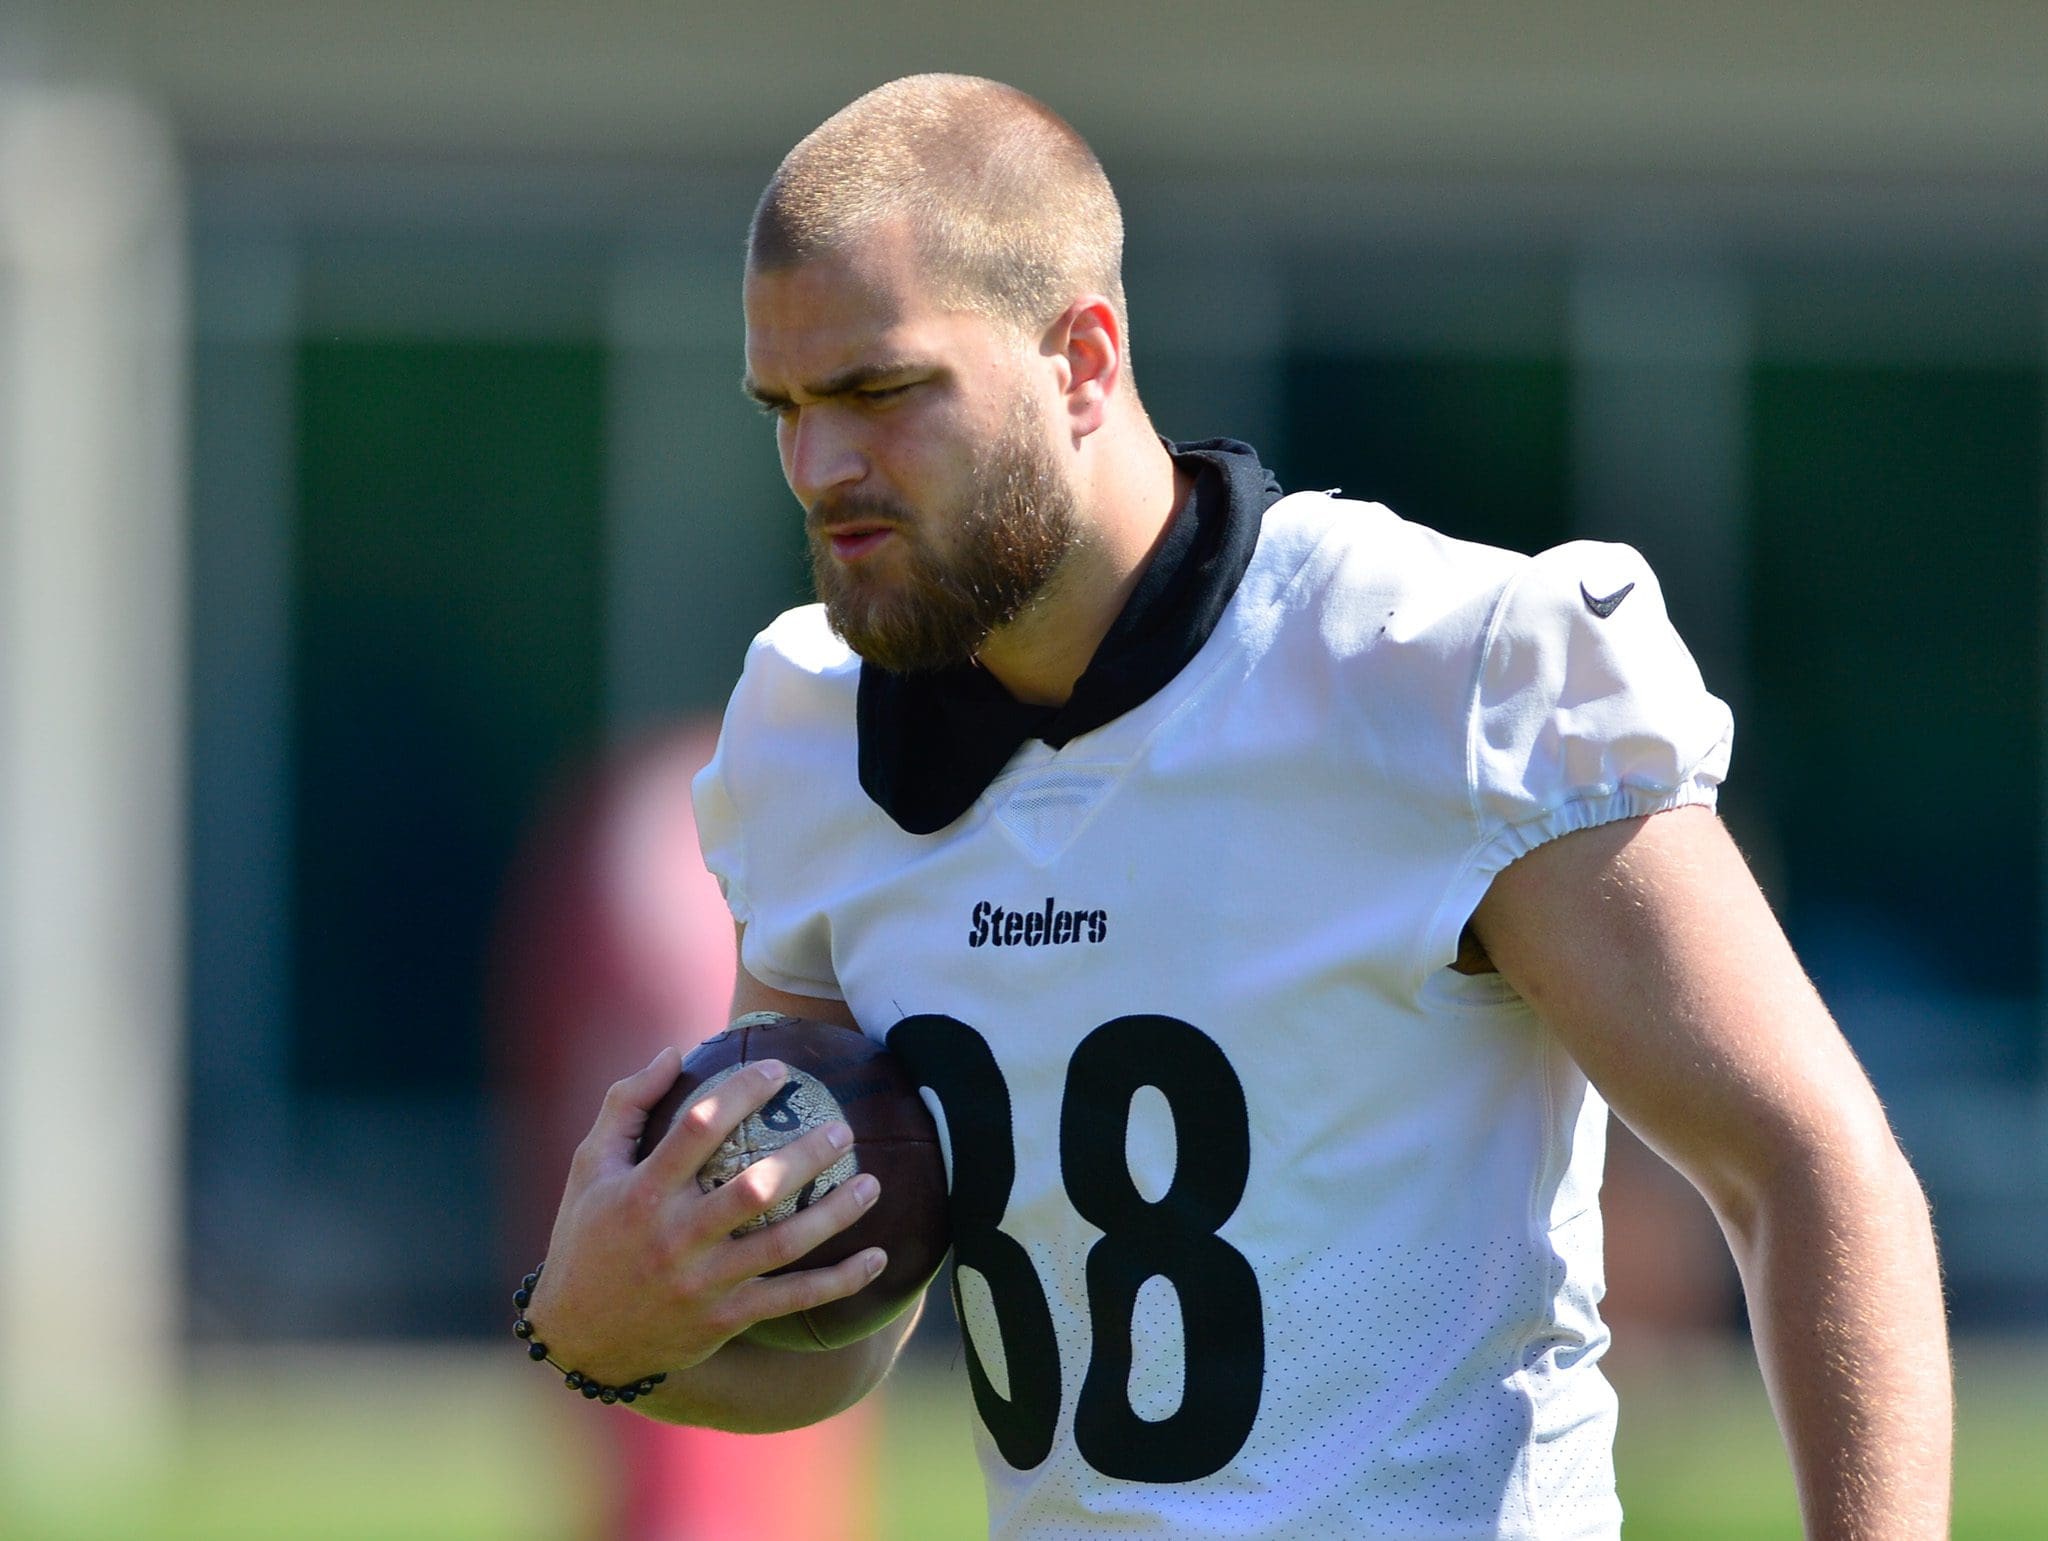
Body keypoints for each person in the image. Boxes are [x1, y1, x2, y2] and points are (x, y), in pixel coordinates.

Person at [525, 74, 1951, 1538]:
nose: (823, 467)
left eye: (882, 391)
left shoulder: (1437, 668)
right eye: (788, 406)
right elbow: (842, 1317)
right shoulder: (814, 729)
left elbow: (1812, 1165)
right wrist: (595, 1325)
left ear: (1083, 359)